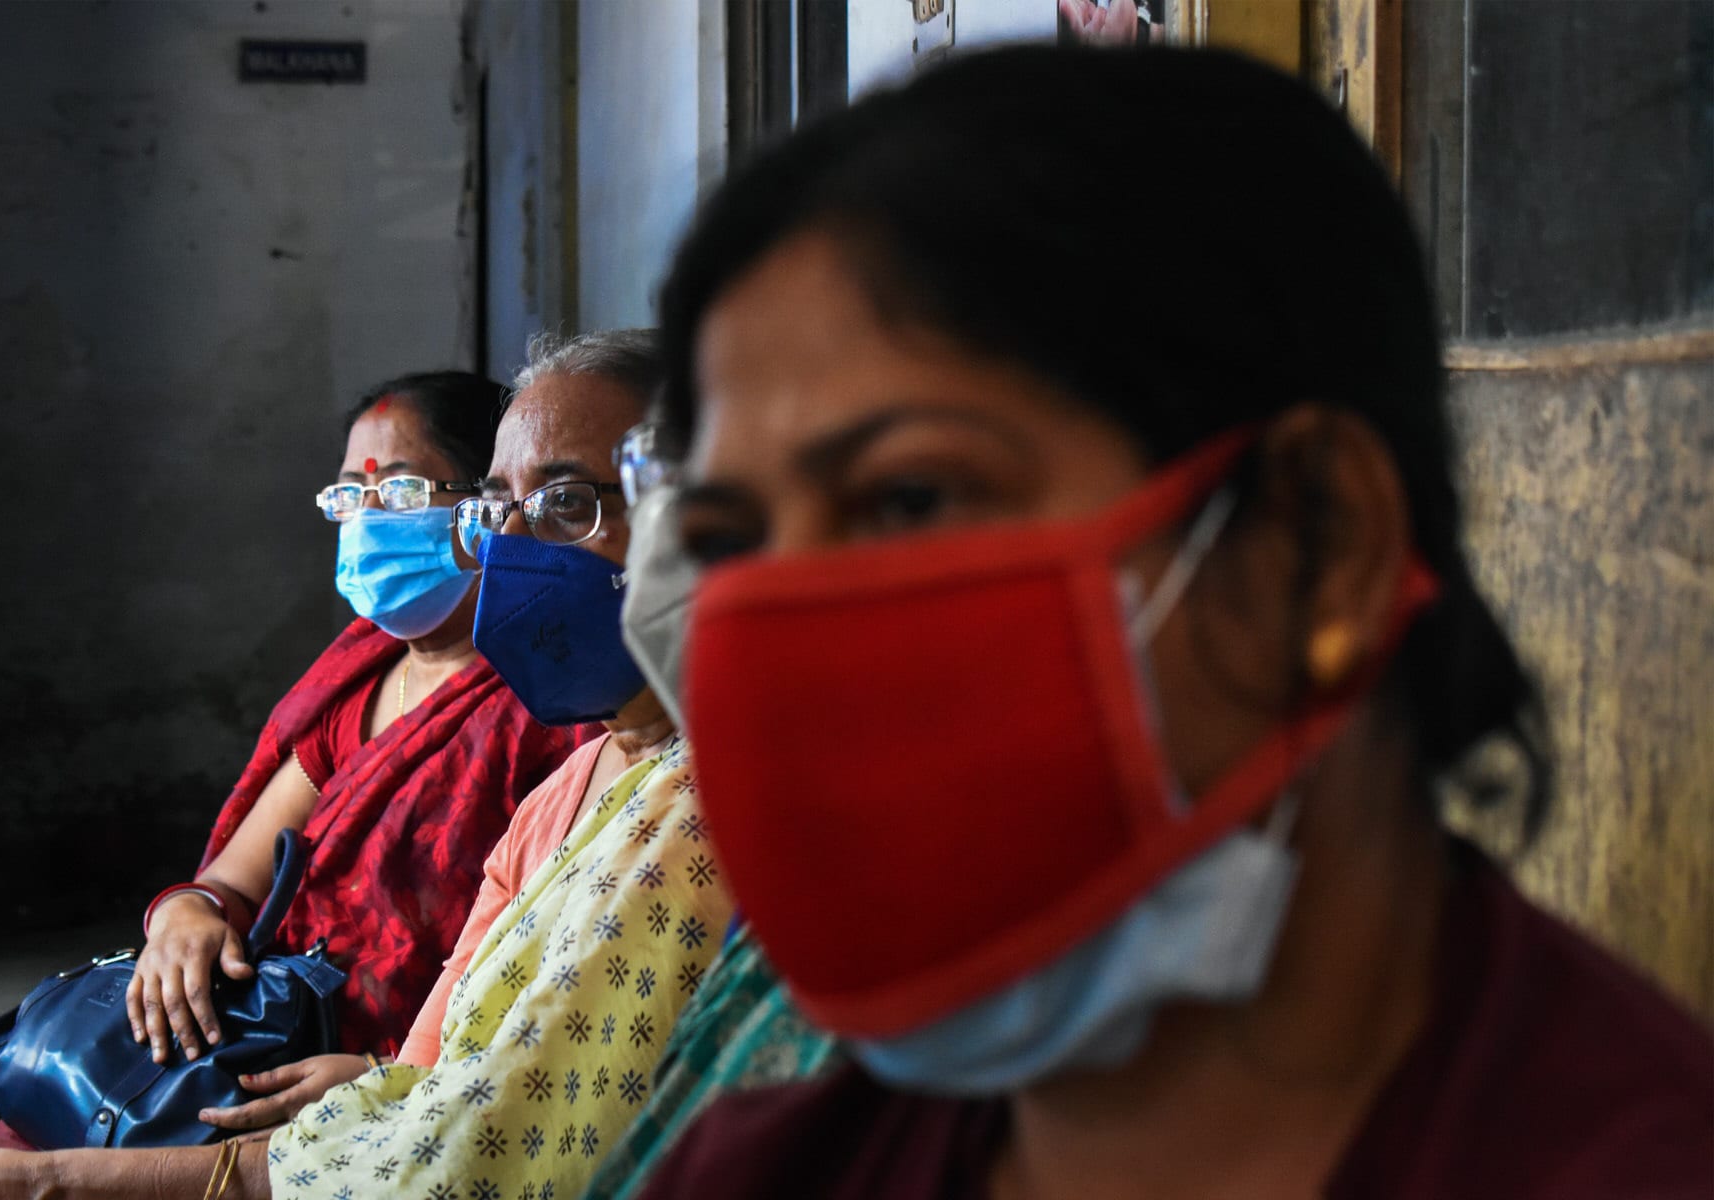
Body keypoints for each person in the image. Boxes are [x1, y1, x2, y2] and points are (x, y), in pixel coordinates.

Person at [621, 45, 1714, 1200]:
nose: (789, 639)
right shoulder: (757, 1171)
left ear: (1321, 541)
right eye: (730, 542)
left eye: (909, 499)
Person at [0, 333, 737, 1200]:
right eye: (501, 512)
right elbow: (434, 1056)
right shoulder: (558, 776)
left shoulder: (670, 794)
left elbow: (468, 1147)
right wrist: (191, 918)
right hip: (282, 1047)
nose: (518, 544)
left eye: (567, 502)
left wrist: (73, 1183)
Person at [0, 371, 587, 1152]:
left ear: (485, 504)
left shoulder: (549, 705)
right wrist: (186, 919)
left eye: (396, 494)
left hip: (403, 1084)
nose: (364, 523)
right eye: (348, 499)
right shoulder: (359, 675)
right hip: (259, 1038)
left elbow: (557, 967)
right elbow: (232, 880)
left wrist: (390, 1072)